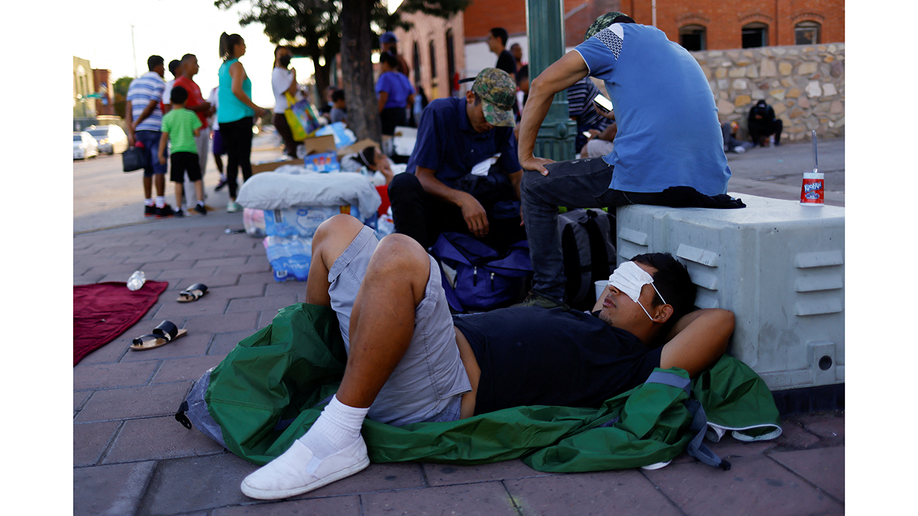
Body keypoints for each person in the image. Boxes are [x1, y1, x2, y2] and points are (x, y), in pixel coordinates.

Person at [238, 214, 735, 500]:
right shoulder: (583, 320)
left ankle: (336, 436)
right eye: (617, 277)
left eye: (632, 287)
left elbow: (719, 320)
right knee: (336, 230)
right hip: (411, 355)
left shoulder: (632, 361)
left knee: (402, 253)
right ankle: (318, 367)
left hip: (438, 389)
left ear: (662, 310)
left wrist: (664, 324)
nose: (612, 290)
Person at [516, 12, 740, 309]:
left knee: (534, 184)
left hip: (649, 175)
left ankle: (547, 294)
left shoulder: (614, 36)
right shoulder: (675, 48)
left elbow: (542, 85)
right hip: (710, 183)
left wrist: (525, 155)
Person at [387, 68, 525, 252]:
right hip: (435, 203)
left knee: (522, 218)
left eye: (498, 119)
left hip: (470, 203)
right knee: (402, 183)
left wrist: (528, 204)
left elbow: (516, 176)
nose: (490, 125)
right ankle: (415, 261)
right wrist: (462, 199)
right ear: (469, 97)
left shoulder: (499, 127)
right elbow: (423, 177)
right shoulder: (440, 113)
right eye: (487, 116)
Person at [218, 32, 268, 213]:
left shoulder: (223, 67)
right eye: (243, 44)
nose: (245, 47)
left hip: (224, 119)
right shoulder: (237, 65)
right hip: (240, 118)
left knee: (232, 159)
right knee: (244, 160)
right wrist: (256, 108)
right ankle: (250, 200)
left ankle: (233, 200)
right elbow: (237, 90)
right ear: (236, 46)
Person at [125, 55, 174, 219]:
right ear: (159, 66)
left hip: (139, 132)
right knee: (159, 165)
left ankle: (148, 204)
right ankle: (161, 205)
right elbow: (152, 104)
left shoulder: (134, 83)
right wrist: (137, 121)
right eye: (163, 67)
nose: (164, 70)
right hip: (155, 129)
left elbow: (128, 109)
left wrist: (131, 130)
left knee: (147, 169)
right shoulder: (159, 82)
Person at [157, 86, 207, 216]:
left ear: (171, 100)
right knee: (196, 178)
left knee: (178, 180)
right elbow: (197, 132)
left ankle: (179, 208)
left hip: (176, 152)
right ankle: (200, 203)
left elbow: (164, 137)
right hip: (190, 150)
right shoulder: (191, 115)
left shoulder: (167, 117)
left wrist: (160, 154)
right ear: (186, 100)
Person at [173, 54, 213, 194]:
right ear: (185, 66)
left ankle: (200, 200)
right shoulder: (179, 84)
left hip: (202, 127)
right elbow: (179, 108)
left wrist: (208, 110)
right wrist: (201, 108)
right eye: (194, 63)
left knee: (200, 167)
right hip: (191, 132)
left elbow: (199, 104)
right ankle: (192, 203)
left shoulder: (194, 84)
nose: (197, 66)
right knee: (192, 168)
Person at [375, 53, 415, 136]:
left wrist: (376, 114)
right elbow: (412, 98)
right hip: (402, 113)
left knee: (389, 141)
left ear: (385, 63)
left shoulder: (385, 77)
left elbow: (383, 99)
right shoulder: (403, 77)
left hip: (388, 116)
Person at [272, 45, 300, 158]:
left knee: (297, 146)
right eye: (281, 55)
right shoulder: (278, 73)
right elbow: (290, 93)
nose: (285, 57)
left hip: (292, 113)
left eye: (286, 54)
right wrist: (294, 76)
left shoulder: (286, 73)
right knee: (293, 148)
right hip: (284, 115)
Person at [207, 86, 227, 191]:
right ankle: (223, 176)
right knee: (216, 152)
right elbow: (211, 107)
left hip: (231, 125)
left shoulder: (233, 87)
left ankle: (232, 178)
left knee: (233, 155)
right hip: (218, 126)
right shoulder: (214, 90)